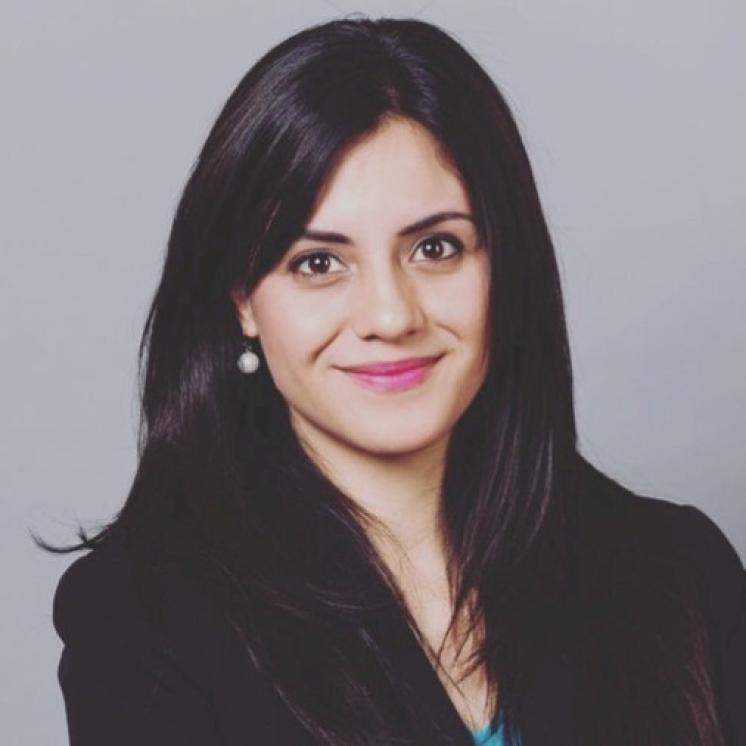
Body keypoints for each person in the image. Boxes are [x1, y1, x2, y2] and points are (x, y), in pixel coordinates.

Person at [43, 16, 745, 746]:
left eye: (436, 248)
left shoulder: (677, 572)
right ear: (243, 301)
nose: (389, 314)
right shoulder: (142, 621)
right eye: (318, 263)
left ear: (505, 266)